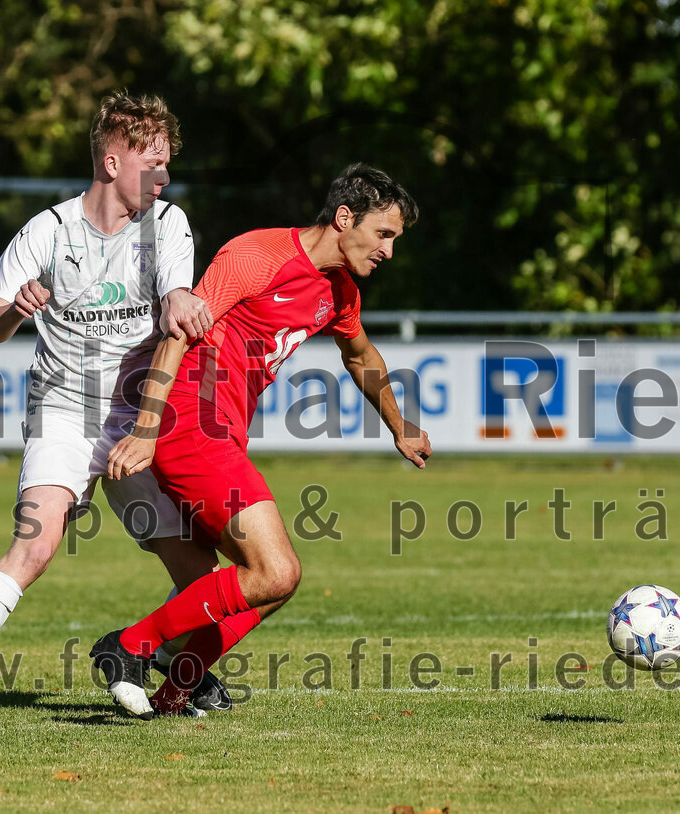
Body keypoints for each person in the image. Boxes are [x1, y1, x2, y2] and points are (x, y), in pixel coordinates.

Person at [0, 91, 224, 725]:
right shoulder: (47, 231)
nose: (164, 178)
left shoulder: (170, 223)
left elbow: (174, 294)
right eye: (152, 163)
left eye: (168, 164)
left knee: (197, 565)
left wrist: (181, 302)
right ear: (111, 162)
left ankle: (180, 669)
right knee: (35, 544)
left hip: (137, 420)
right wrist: (14, 312)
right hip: (63, 415)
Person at [90, 163, 432, 717]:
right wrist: (147, 430)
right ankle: (129, 646)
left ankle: (176, 690)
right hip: (190, 423)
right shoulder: (256, 256)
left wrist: (401, 426)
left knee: (272, 585)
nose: (389, 251)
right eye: (384, 234)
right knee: (277, 571)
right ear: (344, 218)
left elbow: (360, 354)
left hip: (222, 433)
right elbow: (179, 331)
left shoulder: (339, 290)